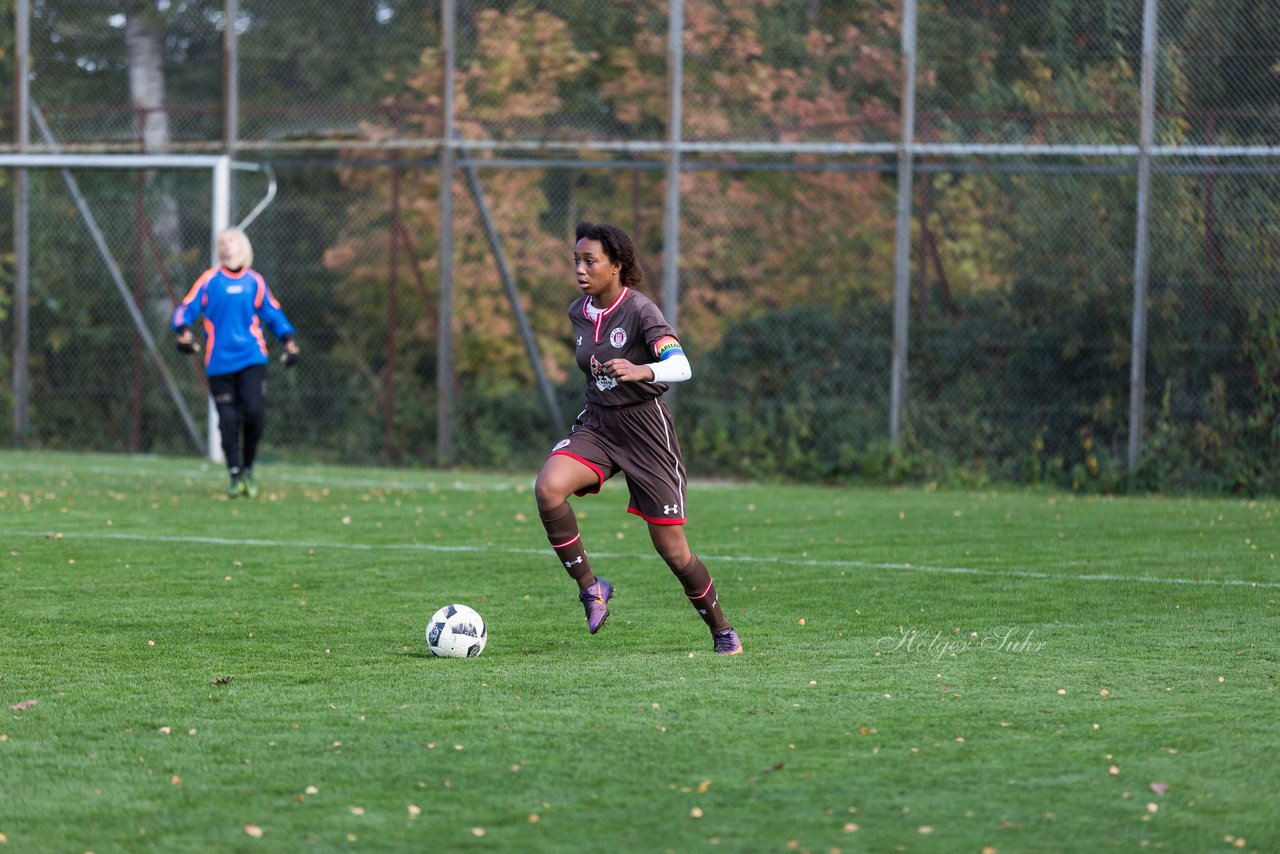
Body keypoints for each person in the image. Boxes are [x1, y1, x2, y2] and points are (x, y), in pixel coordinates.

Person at [533, 221, 742, 655]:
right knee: (549, 488)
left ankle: (722, 630)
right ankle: (591, 589)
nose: (580, 269)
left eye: (590, 261)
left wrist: (642, 370)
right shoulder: (579, 311)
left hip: (647, 431)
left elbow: (681, 366)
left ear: (618, 266)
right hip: (598, 424)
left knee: (673, 551)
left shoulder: (642, 311)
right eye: (576, 260)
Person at [171, 227, 300, 498]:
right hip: (219, 362)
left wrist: (288, 340)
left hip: (252, 358)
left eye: (230, 241)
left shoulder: (255, 282)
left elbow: (273, 314)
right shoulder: (209, 281)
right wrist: (183, 331)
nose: (225, 246)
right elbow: (186, 309)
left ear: (242, 246)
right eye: (221, 243)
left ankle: (249, 468)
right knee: (228, 419)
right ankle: (235, 474)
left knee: (254, 413)